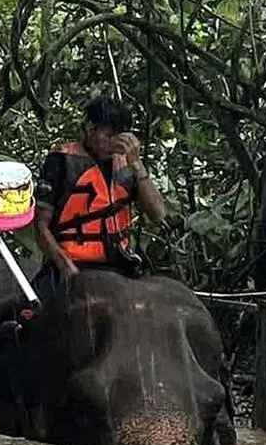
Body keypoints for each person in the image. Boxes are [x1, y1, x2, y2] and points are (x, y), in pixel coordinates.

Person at [31, 96, 167, 297]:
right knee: (26, 312)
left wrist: (137, 164)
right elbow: (41, 226)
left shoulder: (127, 164)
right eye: (108, 136)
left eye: (118, 137)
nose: (113, 144)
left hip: (120, 266)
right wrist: (65, 267)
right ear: (89, 128)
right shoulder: (60, 161)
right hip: (71, 264)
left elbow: (158, 214)